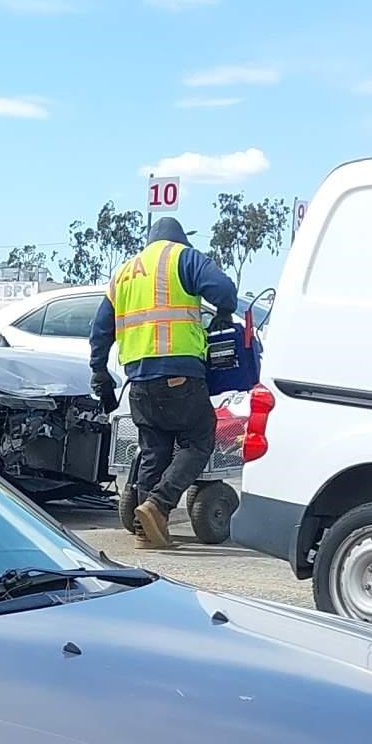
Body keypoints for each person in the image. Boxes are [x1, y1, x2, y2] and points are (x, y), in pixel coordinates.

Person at [87, 215, 242, 549]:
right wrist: (223, 312)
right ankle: (158, 505)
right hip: (179, 373)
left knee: (154, 451)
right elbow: (225, 291)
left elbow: (100, 329)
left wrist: (99, 371)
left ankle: (148, 534)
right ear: (180, 239)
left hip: (139, 380)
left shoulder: (124, 273)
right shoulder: (181, 257)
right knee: (198, 441)